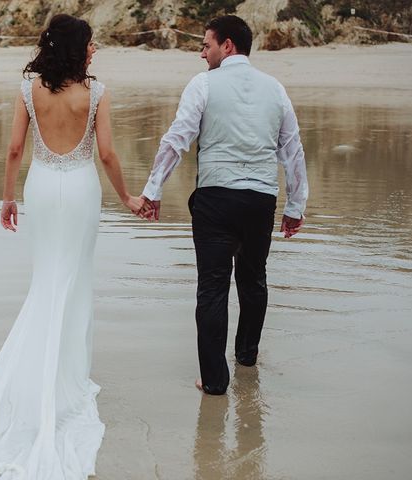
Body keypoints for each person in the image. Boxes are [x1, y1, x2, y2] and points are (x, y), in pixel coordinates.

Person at [0, 14, 143, 479]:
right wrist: (127, 197)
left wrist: (6, 198)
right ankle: (68, 382)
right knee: (74, 281)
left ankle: (46, 377)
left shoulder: (28, 90)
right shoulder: (96, 94)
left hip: (41, 188)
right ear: (77, 48)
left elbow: (15, 150)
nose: (95, 49)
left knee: (47, 281)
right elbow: (108, 155)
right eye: (91, 43)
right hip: (80, 191)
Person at [139, 15, 308, 395]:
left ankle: (215, 381)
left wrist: (153, 188)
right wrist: (295, 205)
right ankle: (247, 355)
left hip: (216, 199)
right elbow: (292, 150)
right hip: (260, 201)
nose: (202, 54)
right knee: (254, 280)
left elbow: (177, 138)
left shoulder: (203, 84)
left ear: (227, 46)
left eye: (206, 45)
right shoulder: (275, 88)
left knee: (212, 288)